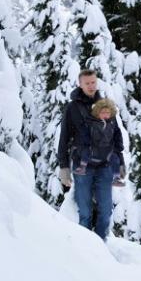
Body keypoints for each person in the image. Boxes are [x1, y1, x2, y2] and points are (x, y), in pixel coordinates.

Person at [57, 70, 124, 240]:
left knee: (106, 210)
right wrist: (63, 167)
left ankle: (100, 246)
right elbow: (64, 137)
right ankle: (85, 250)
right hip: (82, 166)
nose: (91, 86)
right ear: (80, 84)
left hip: (105, 166)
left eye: (93, 82)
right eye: (87, 83)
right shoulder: (73, 108)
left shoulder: (105, 105)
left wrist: (120, 162)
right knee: (85, 212)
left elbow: (116, 134)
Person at [73, 98, 126, 188]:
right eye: (103, 113)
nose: (105, 115)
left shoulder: (112, 123)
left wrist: (118, 146)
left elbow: (117, 135)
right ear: (98, 113)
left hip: (107, 149)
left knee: (115, 158)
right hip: (94, 147)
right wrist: (87, 142)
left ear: (111, 113)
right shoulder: (92, 122)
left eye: (107, 113)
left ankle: (116, 178)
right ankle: (82, 167)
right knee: (86, 151)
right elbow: (85, 133)